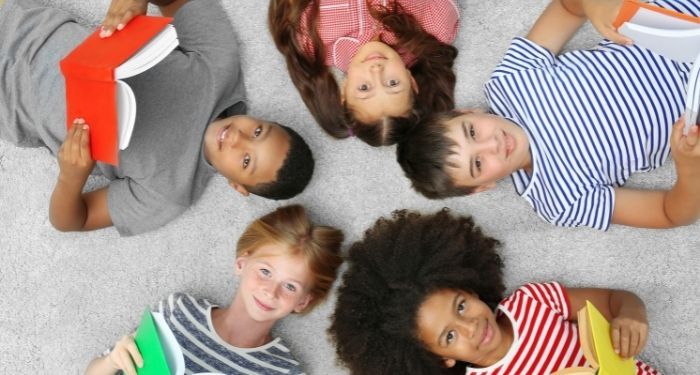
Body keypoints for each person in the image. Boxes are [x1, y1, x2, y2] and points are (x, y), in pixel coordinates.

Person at [0, 0, 315, 237]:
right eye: (258, 131)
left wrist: (72, 176)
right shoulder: (219, 67)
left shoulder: (168, 195)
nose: (238, 139)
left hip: (10, 103)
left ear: (238, 186)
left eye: (246, 161)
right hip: (27, 25)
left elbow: (71, 221)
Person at [396, 0, 700, 230]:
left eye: (472, 132)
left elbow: (568, 7)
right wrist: (689, 168)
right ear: (482, 188)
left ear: (469, 112)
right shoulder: (558, 201)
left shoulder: (509, 82)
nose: (493, 144)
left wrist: (594, 6)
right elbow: (669, 213)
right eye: (478, 163)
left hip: (672, 18)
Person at [329, 209, 659, 374]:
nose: (471, 326)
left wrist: (632, 314)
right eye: (449, 337)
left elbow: (616, 300)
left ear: (467, 287)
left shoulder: (531, 302)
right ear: (442, 359)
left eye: (460, 307)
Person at [85, 204, 344, 375]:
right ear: (241, 264)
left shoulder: (284, 370)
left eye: (290, 286)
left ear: (303, 302)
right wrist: (112, 362)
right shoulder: (179, 311)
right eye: (265, 271)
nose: (270, 291)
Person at [268, 0, 459, 146]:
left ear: (344, 93)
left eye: (364, 88)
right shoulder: (434, 29)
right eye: (393, 83)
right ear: (412, 82)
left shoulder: (310, 40)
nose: (376, 71)